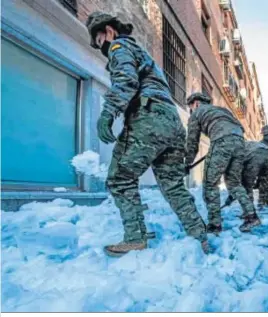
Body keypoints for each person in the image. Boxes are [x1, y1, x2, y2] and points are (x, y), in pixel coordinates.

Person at [85, 12, 208, 256]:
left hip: (148, 119)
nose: (103, 49)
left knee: (120, 179)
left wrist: (108, 113)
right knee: (173, 185)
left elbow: (126, 81)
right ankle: (198, 234)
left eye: (100, 42)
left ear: (109, 31)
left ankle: (135, 236)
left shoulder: (119, 46)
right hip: (172, 123)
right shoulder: (144, 55)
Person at [185, 92, 261, 234]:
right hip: (240, 143)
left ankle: (214, 225)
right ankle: (252, 216)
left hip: (221, 141)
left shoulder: (196, 113)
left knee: (210, 183)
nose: (191, 110)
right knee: (233, 183)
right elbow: (239, 129)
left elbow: (192, 144)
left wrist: (186, 163)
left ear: (196, 103)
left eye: (191, 107)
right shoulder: (222, 110)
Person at [224, 141, 268, 216]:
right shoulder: (237, 148)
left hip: (254, 154)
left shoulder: (231, 157)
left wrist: (230, 197)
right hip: (267, 152)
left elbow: (237, 182)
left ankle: (249, 213)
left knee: (247, 187)